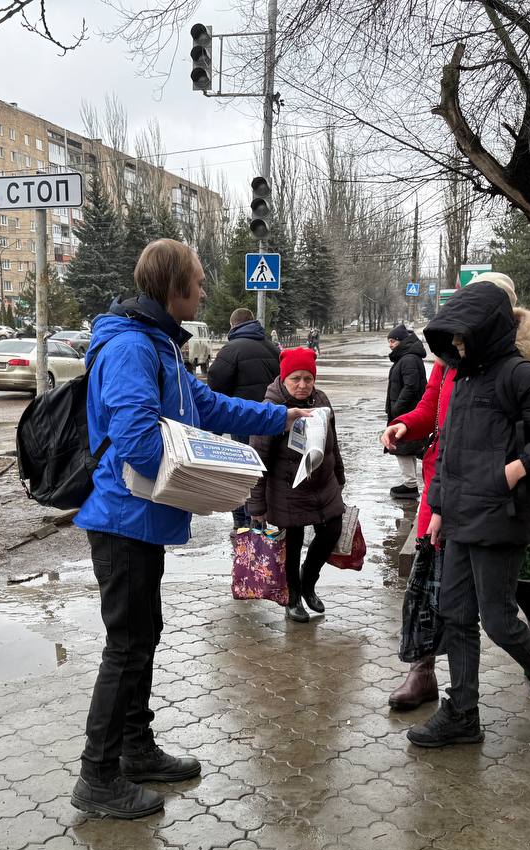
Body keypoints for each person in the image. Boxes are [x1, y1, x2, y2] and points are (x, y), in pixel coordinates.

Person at [73, 238, 311, 820]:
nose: (204, 291)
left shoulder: (160, 346)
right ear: (173, 285)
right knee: (125, 645)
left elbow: (211, 407)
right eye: (198, 282)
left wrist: (283, 415)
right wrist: (202, 477)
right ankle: (97, 777)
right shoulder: (131, 347)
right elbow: (134, 441)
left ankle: (136, 750)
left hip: (143, 519)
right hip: (122, 518)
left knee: (142, 636)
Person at [407, 277, 530, 749]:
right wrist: (437, 510)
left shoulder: (519, 374)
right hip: (459, 517)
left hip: (502, 515)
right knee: (455, 614)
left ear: (488, 329)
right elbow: (450, 450)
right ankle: (463, 714)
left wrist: (520, 467)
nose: (456, 344)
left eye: (462, 335)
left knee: (498, 619)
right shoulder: (463, 377)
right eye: (450, 338)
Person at [382, 281, 530, 711]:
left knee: (500, 605)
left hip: (499, 500)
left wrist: (519, 467)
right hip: (446, 487)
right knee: (439, 589)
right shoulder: (453, 360)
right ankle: (432, 678)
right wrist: (406, 425)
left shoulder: (521, 365)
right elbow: (436, 413)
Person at [246, 347, 346, 624]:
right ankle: (292, 599)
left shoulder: (321, 400)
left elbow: (332, 444)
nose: (302, 385)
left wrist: (339, 476)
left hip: (323, 486)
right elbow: (258, 459)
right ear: (284, 378)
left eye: (308, 379)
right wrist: (257, 506)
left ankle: (308, 581)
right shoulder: (272, 410)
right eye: (295, 379)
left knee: (332, 531)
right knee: (292, 544)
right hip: (286, 490)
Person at [206, 307, 281, 529]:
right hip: (272, 421)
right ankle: (261, 523)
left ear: (232, 326)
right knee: (264, 472)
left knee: (242, 474)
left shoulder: (231, 350)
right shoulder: (273, 347)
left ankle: (243, 526)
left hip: (242, 421)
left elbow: (214, 387)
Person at [384, 323, 428, 500]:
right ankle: (410, 482)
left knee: (403, 447)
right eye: (389, 341)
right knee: (407, 448)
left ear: (401, 341)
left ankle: (410, 485)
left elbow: (411, 387)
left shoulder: (408, 359)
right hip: (406, 411)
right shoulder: (406, 357)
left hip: (406, 413)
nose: (390, 345)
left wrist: (397, 408)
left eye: (392, 341)